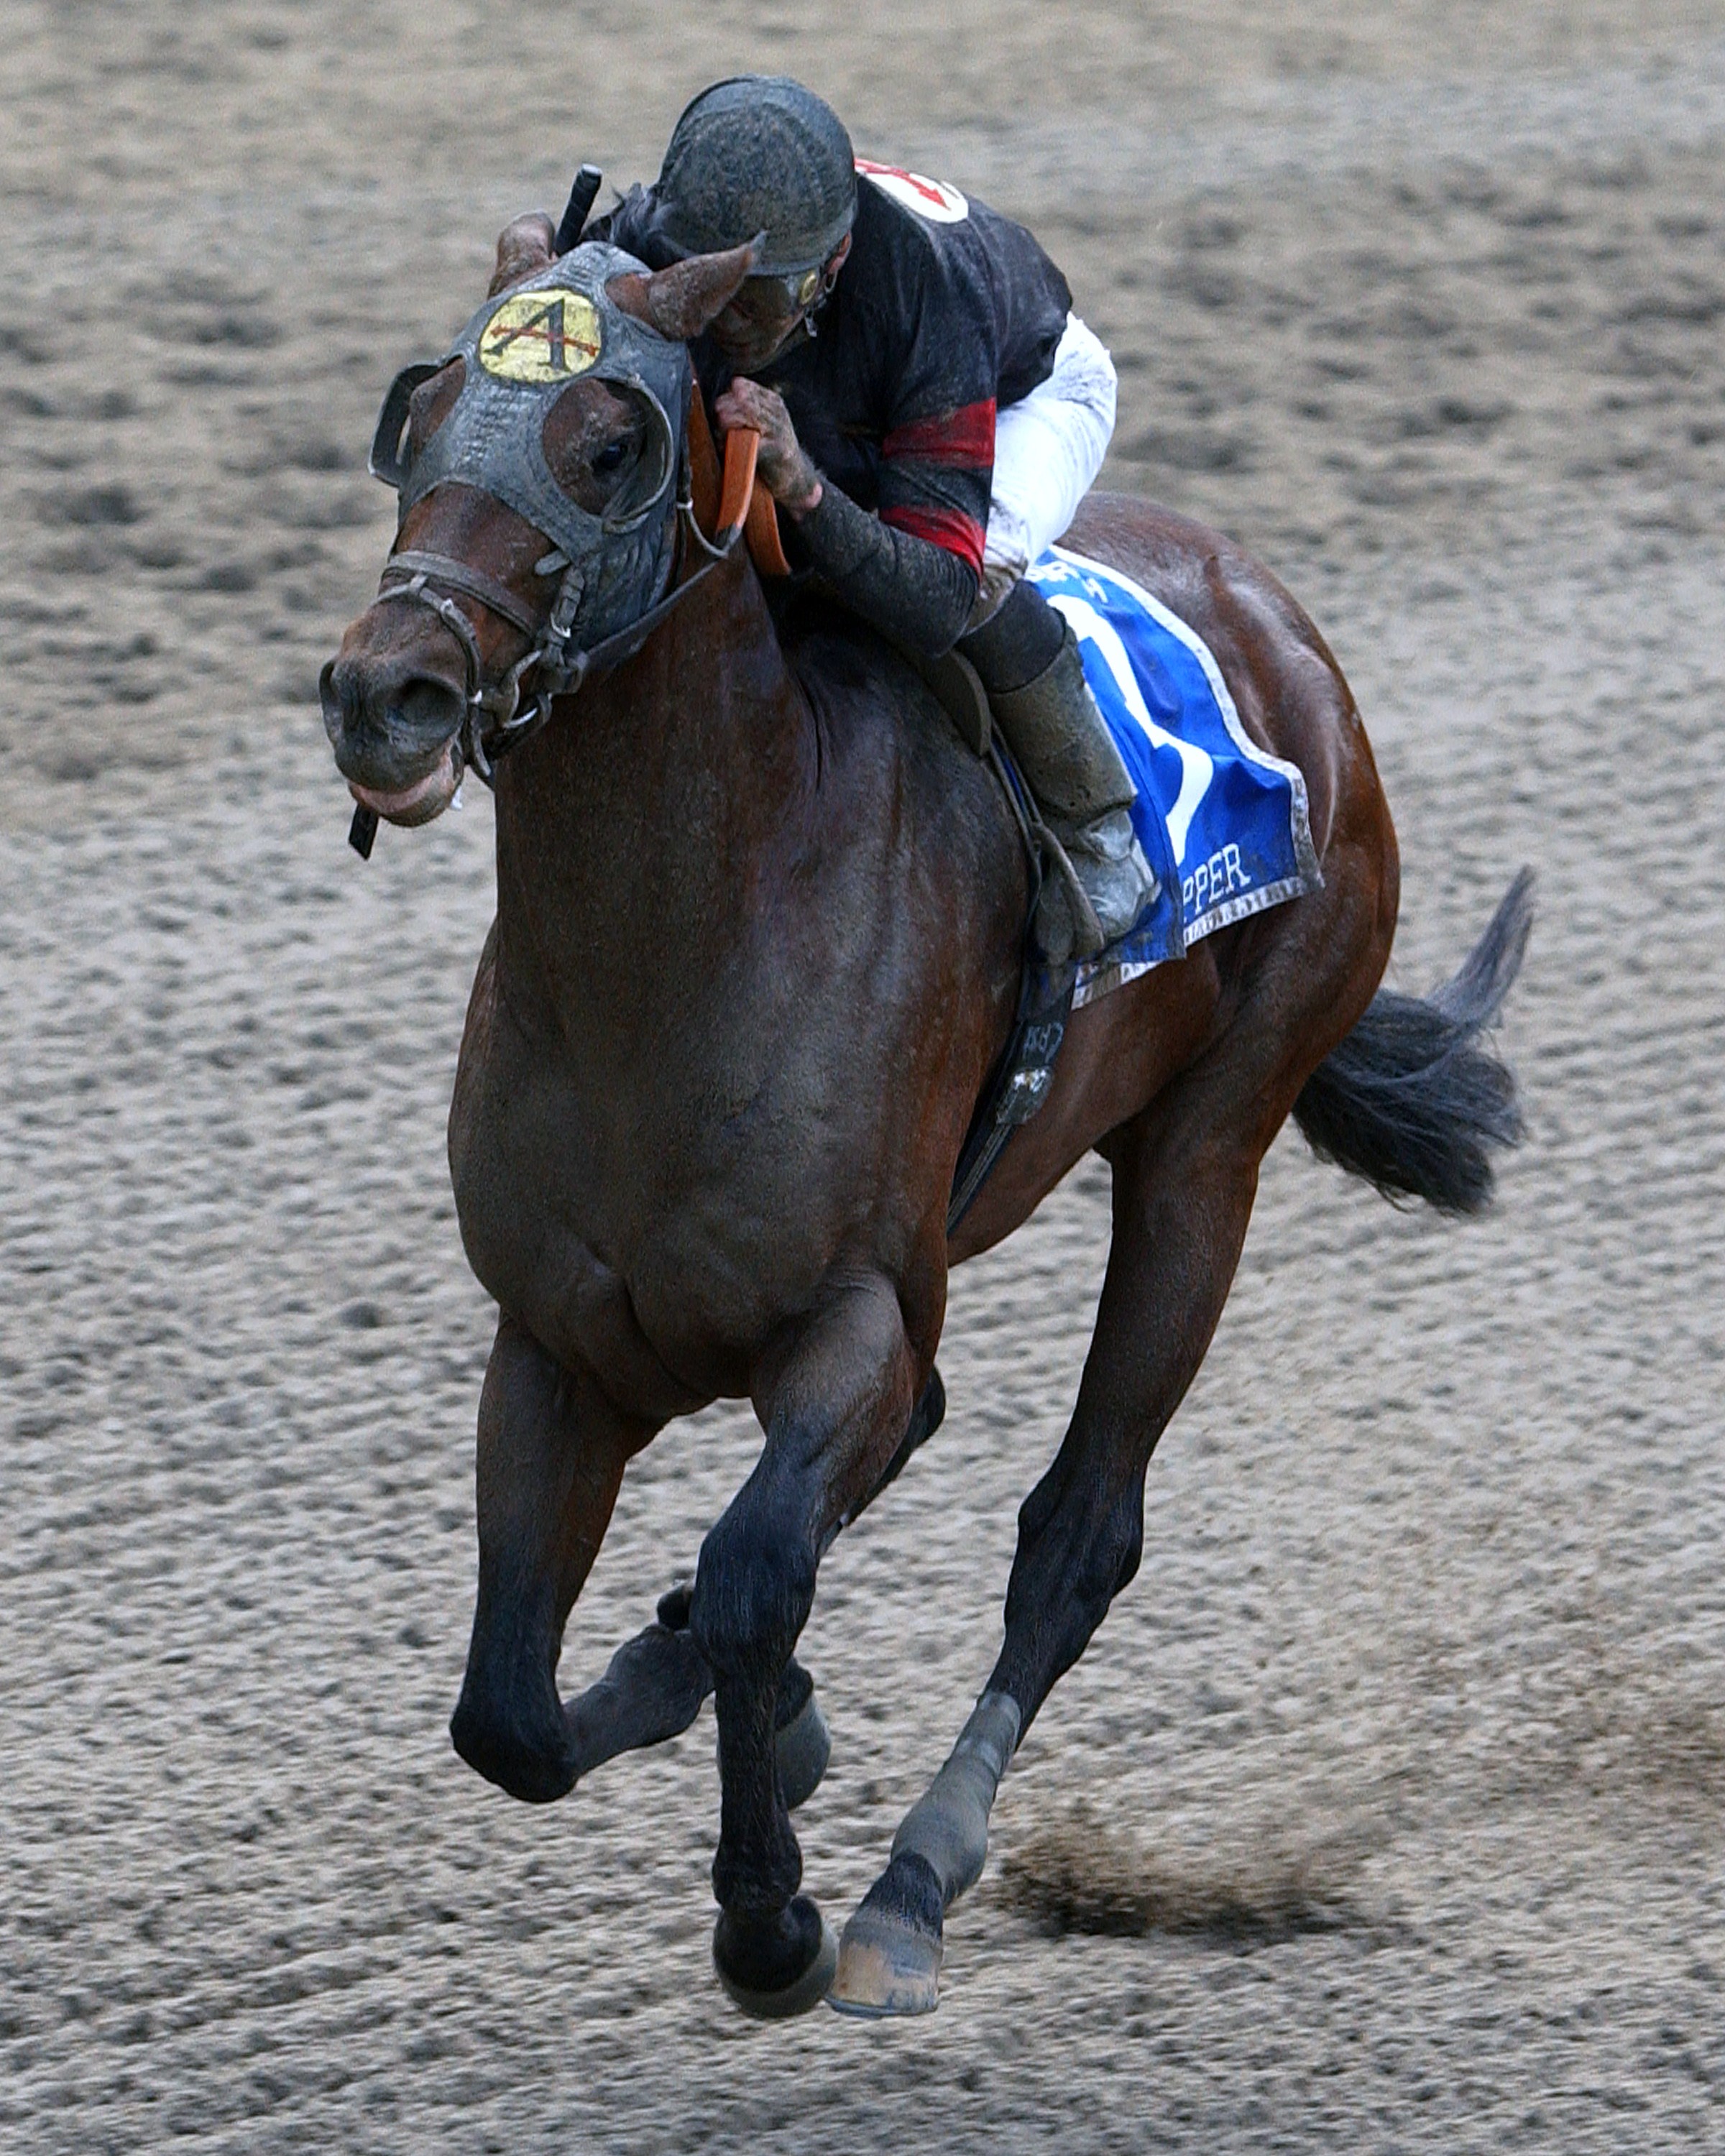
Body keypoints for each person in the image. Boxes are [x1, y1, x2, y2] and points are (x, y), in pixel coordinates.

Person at [586, 75, 1156, 957]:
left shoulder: (930, 302)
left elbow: (933, 595)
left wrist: (808, 487)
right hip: (839, 380)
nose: (724, 318)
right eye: (707, 284)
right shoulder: (661, 233)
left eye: (755, 296)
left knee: (968, 586)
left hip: (1023, 391)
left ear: (834, 261)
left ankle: (1096, 826)